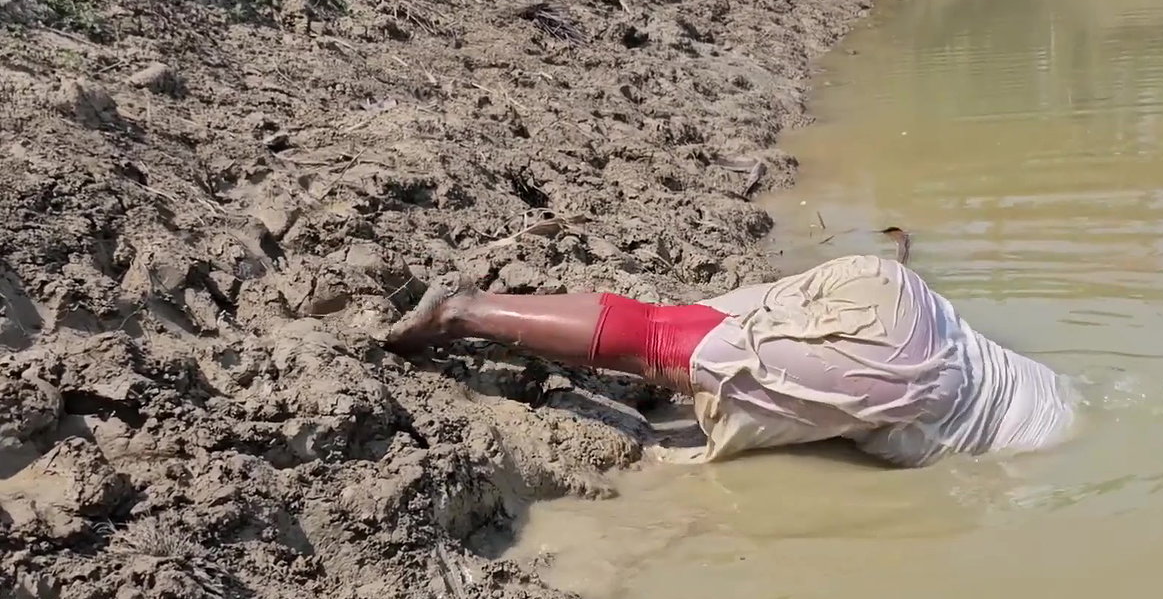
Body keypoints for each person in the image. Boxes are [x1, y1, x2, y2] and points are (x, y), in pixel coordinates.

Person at [384, 244, 1078, 467]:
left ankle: (481, 306)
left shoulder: (1059, 398)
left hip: (903, 297)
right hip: (903, 377)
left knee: (674, 320)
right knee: (660, 347)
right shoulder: (1038, 447)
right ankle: (462, 314)